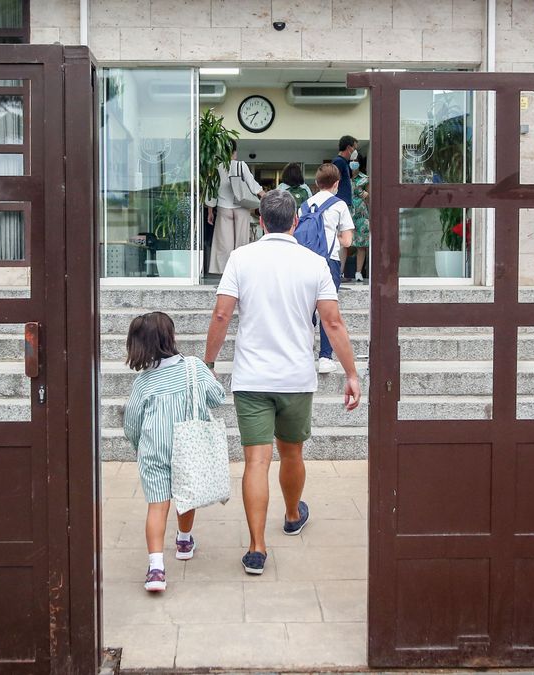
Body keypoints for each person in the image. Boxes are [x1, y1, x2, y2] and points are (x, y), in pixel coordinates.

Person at [204, 190, 362, 576]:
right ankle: (292, 515)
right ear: (295, 222)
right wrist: (352, 374)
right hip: (295, 378)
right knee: (292, 454)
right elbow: (333, 323)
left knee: (255, 461)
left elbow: (222, 315)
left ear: (261, 222)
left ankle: (257, 548)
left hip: (252, 377)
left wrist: (208, 363)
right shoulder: (315, 263)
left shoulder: (241, 258)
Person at [123, 311, 226, 593]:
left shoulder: (143, 382)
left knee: (157, 506)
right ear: (171, 338)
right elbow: (218, 398)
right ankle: (183, 540)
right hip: (188, 445)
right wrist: (210, 377)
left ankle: (156, 568)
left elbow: (131, 422)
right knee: (186, 493)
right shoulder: (194, 367)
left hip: (153, 450)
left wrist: (138, 446)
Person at [302, 163, 355, 373]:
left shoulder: (305, 205)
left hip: (304, 261)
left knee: (306, 309)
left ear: (316, 183)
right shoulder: (339, 205)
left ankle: (304, 354)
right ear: (337, 183)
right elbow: (348, 241)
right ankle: (325, 358)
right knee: (327, 309)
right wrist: (336, 236)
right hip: (328, 262)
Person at [207, 139, 265, 275]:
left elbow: (211, 191)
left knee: (224, 245)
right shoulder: (241, 165)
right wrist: (265, 196)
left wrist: (210, 210)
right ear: (234, 152)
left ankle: (226, 274)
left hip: (223, 208)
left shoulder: (217, 167)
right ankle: (240, 272)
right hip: (241, 206)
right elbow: (252, 184)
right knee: (242, 243)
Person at [341, 154, 370, 283]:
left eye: (356, 161)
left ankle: (358, 272)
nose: (353, 163)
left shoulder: (365, 179)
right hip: (345, 214)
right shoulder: (343, 178)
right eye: (351, 161)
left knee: (361, 244)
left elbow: (370, 198)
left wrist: (366, 195)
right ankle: (341, 272)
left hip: (361, 215)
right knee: (343, 244)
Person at [331, 135, 357, 208]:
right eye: (354, 148)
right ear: (348, 147)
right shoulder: (339, 162)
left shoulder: (344, 162)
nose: (355, 152)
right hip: (339, 203)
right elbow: (333, 182)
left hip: (343, 203)